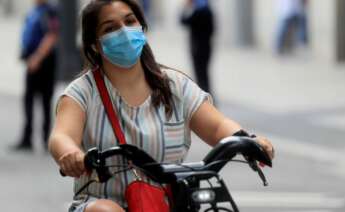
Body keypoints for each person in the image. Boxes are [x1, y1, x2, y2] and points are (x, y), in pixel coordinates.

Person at [48, 0, 274, 211]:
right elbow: (62, 136)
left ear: (141, 27)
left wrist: (248, 142)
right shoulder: (82, 92)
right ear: (95, 45)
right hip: (103, 203)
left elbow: (217, 126)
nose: (124, 32)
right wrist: (70, 154)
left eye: (129, 21)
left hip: (172, 202)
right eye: (110, 28)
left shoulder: (175, 85)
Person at [13, 0, 59, 151]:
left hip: (43, 63)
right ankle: (27, 137)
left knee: (45, 101)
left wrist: (37, 57)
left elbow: (52, 35)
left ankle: (47, 139)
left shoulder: (49, 11)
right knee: (28, 100)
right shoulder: (35, 11)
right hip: (32, 61)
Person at [180, 0, 214, 95]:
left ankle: (205, 98)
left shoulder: (199, 11)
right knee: (204, 75)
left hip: (198, 49)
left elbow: (183, 20)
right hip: (206, 47)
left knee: (201, 76)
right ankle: (207, 96)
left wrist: (185, 7)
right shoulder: (207, 9)